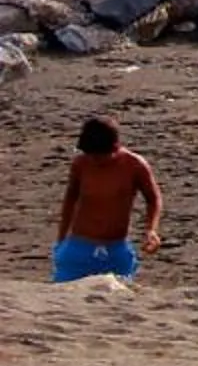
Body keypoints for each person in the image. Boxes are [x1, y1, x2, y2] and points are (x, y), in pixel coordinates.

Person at [53, 116, 161, 283]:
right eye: (90, 155)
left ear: (115, 147)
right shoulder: (81, 164)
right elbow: (70, 200)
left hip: (115, 249)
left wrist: (151, 230)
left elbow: (153, 199)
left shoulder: (135, 166)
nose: (94, 161)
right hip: (79, 246)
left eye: (99, 157)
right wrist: (60, 241)